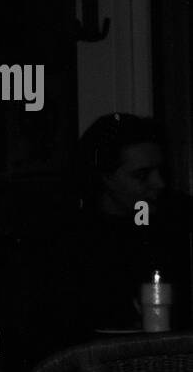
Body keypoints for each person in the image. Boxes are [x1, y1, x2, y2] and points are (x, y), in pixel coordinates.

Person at [69, 113, 193, 333]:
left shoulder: (177, 219)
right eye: (142, 175)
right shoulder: (75, 237)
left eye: (160, 171)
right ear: (105, 177)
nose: (159, 183)